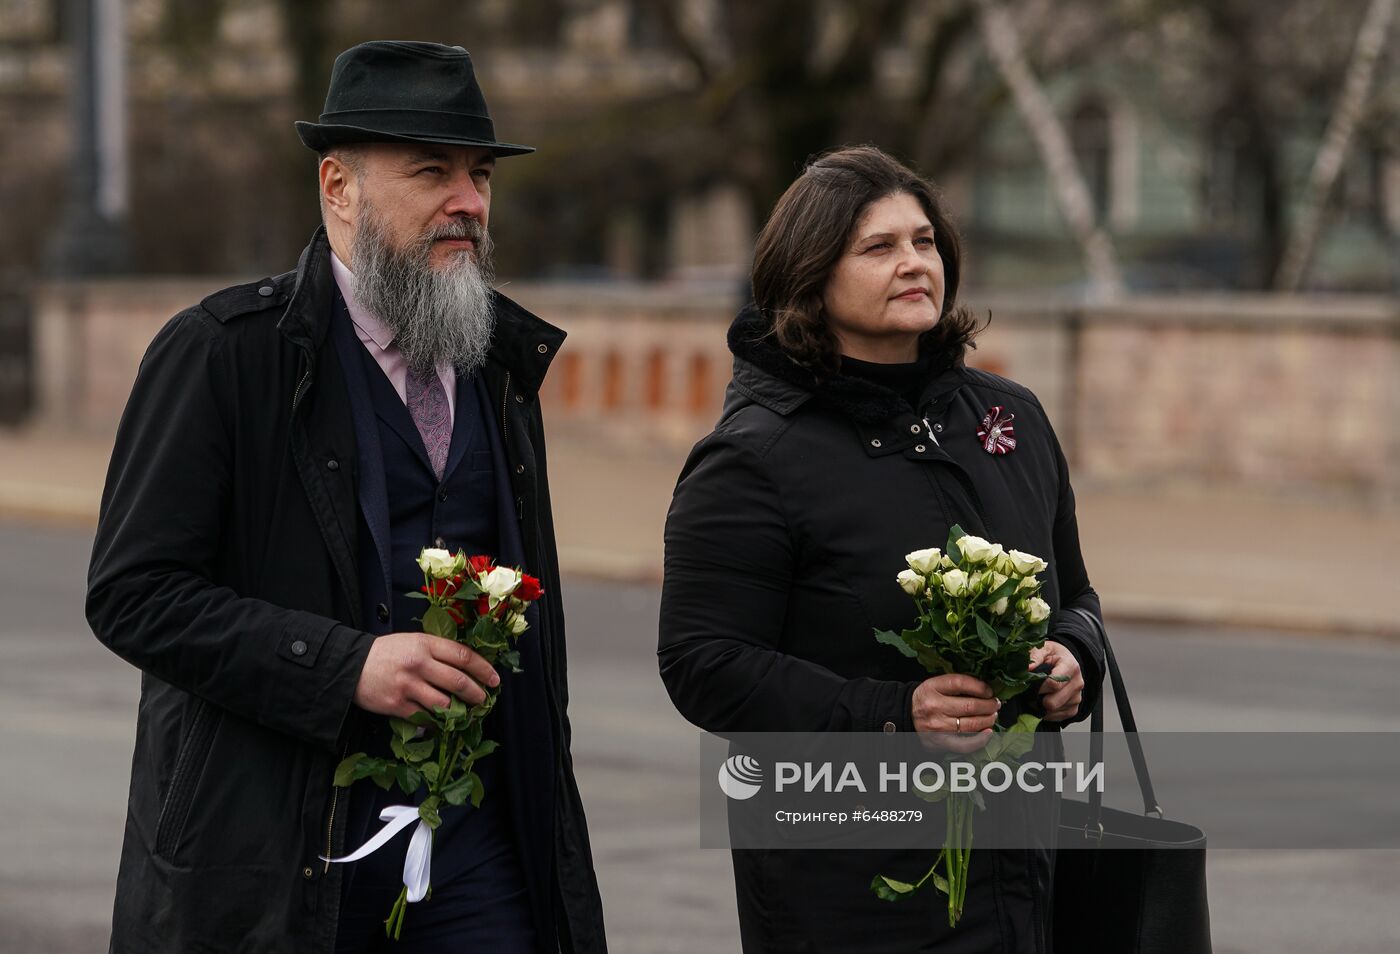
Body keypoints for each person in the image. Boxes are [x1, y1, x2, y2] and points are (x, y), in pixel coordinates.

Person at [86, 41, 606, 953]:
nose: (470, 203)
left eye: (480, 175)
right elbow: (133, 594)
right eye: (432, 172)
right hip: (275, 850)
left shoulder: (494, 364)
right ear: (338, 187)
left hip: (475, 843)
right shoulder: (223, 353)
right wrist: (342, 667)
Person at [658, 145, 1106, 952]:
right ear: (810, 274)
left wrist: (1075, 659)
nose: (913, 263)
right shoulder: (754, 455)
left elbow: (1076, 598)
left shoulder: (1010, 420)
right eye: (879, 247)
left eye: (924, 241)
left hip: (1022, 877)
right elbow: (702, 661)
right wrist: (896, 715)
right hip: (844, 886)